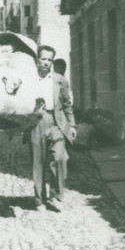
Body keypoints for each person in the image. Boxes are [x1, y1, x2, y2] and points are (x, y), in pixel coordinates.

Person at [27, 44, 76, 213]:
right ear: (37, 60)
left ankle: (55, 196)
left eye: (49, 59)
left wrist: (72, 124)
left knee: (61, 158)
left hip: (56, 122)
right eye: (43, 59)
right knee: (38, 163)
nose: (46, 62)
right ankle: (39, 200)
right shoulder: (29, 79)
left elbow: (67, 103)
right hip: (37, 122)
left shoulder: (60, 79)